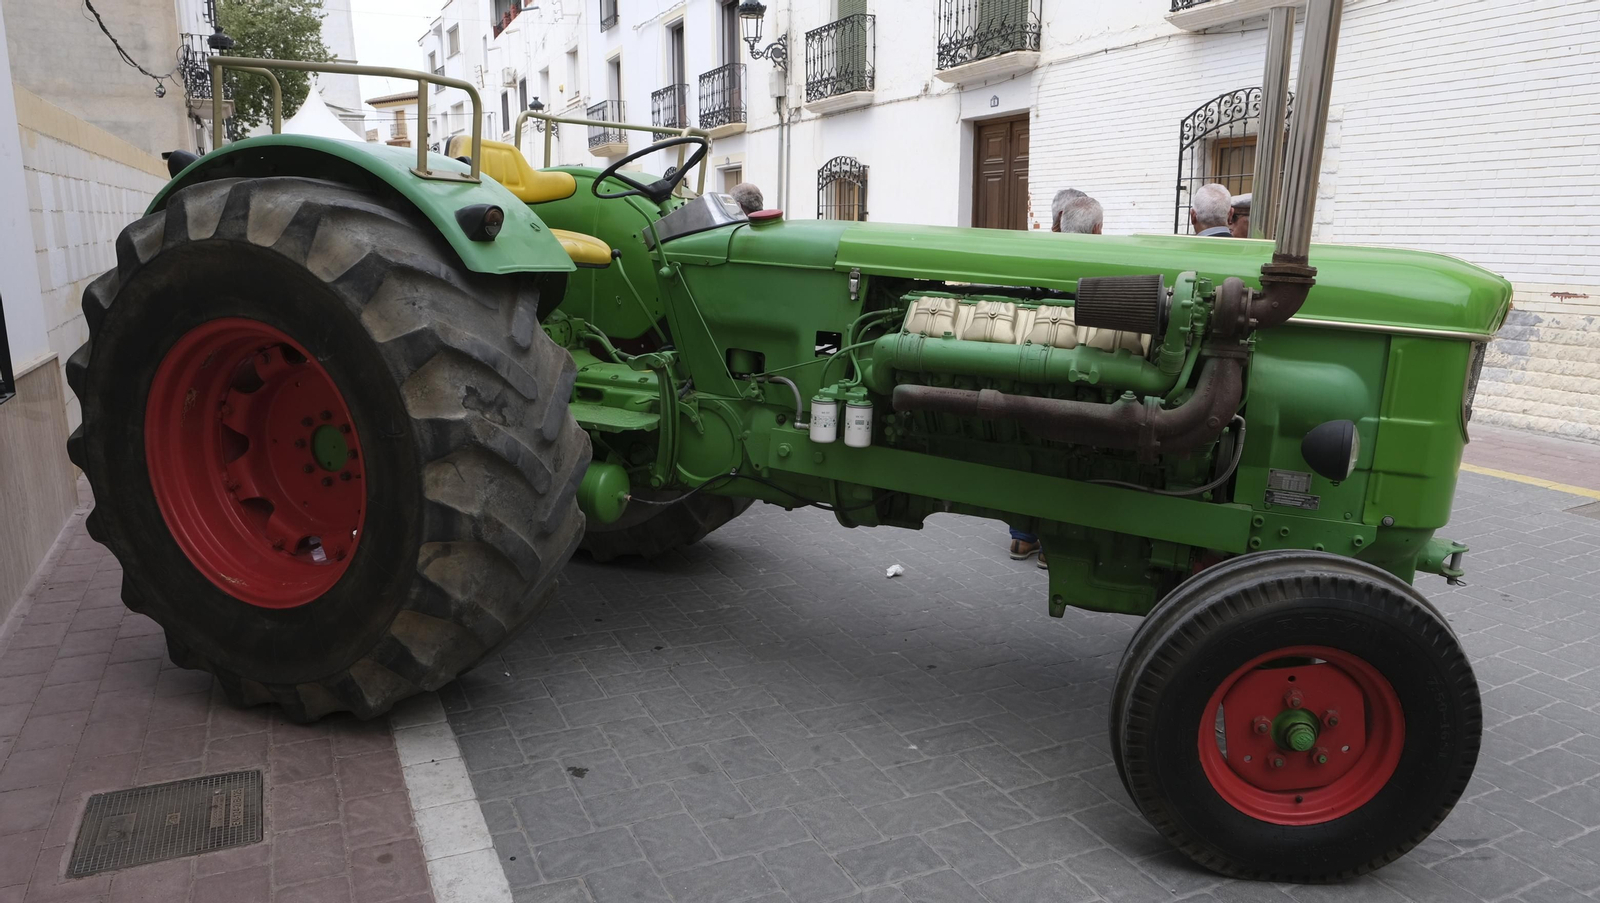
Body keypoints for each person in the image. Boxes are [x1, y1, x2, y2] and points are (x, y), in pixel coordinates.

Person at [1009, 190, 1106, 568]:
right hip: (1076, 374)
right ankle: (1053, 546)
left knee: (1030, 449)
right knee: (1069, 456)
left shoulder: (1035, 259)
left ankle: (1021, 539)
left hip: (1031, 367)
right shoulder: (1104, 268)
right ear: (1098, 229)